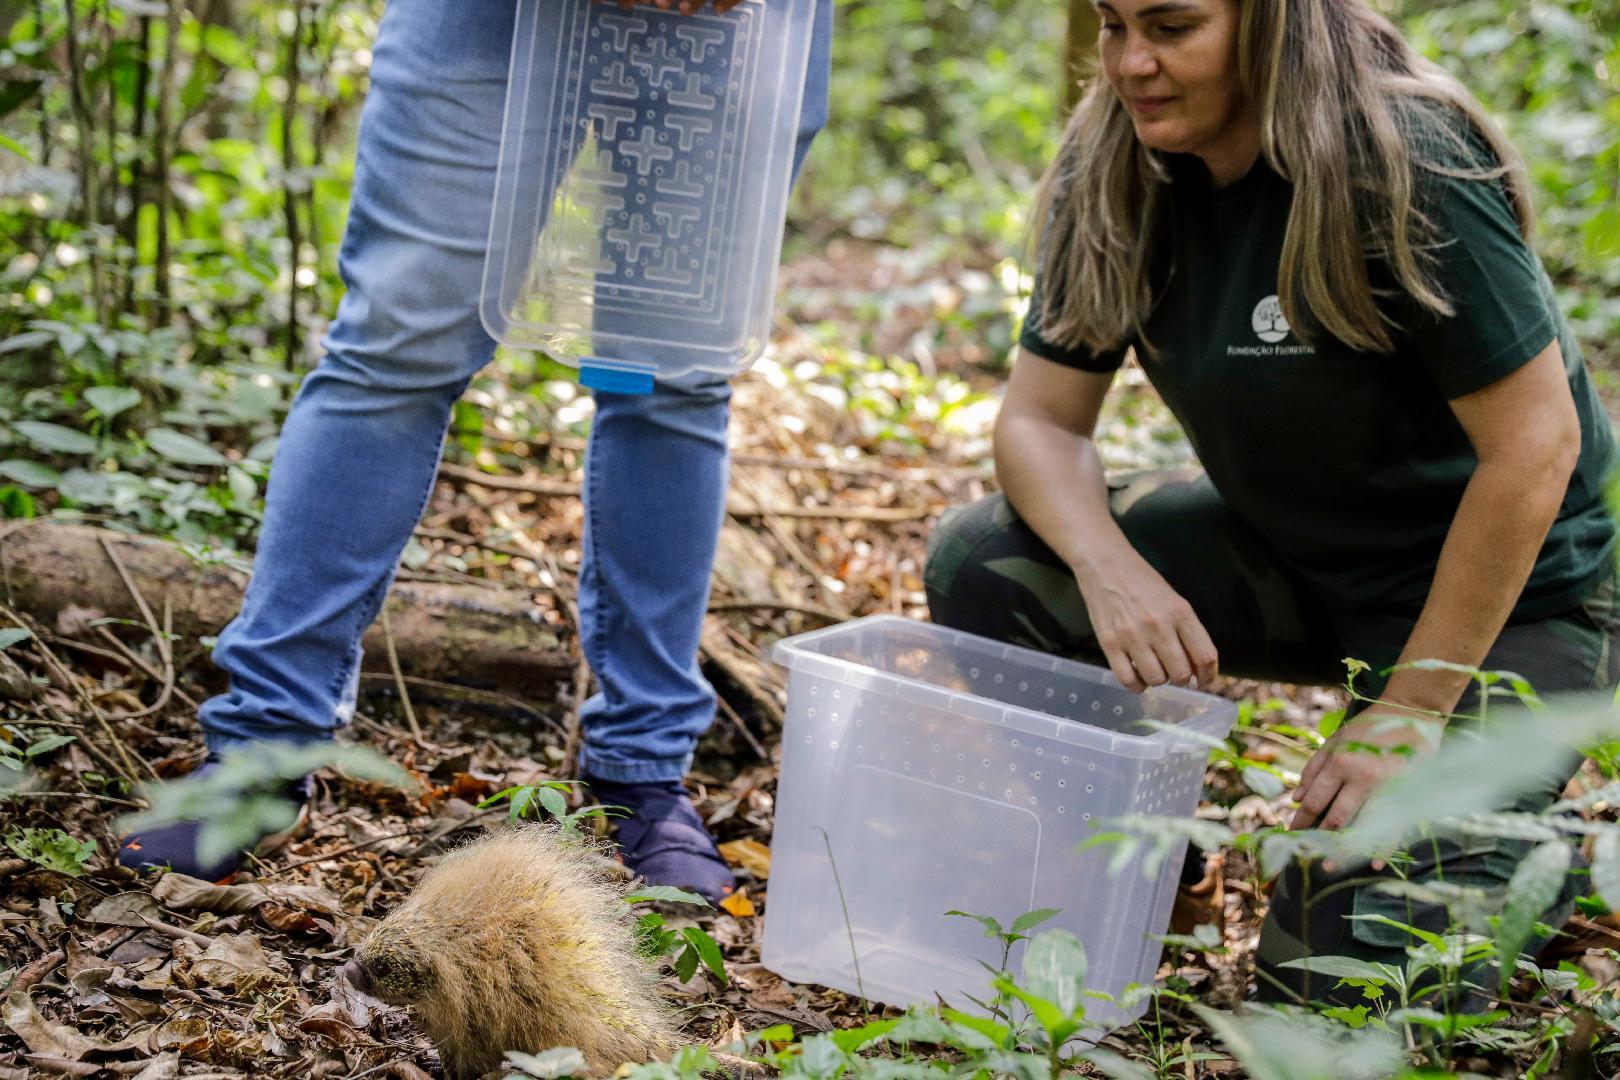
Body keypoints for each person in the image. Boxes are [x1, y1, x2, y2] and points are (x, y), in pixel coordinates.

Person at [924, 0, 1618, 1007]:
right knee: (988, 562)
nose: (1132, 63)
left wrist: (1408, 705)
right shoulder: (1119, 157)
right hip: (1300, 555)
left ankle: (1511, 839)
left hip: (1519, 599)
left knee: (1328, 993)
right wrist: (1111, 572)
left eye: (1171, 27)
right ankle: (1139, 877)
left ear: (1272, 24)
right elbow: (1039, 422)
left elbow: (1537, 445)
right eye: (1115, 27)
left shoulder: (1399, 151)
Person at [117, 0, 833, 904]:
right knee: (395, 344)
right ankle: (261, 752)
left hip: (739, 23)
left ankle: (642, 772)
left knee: (672, 377)